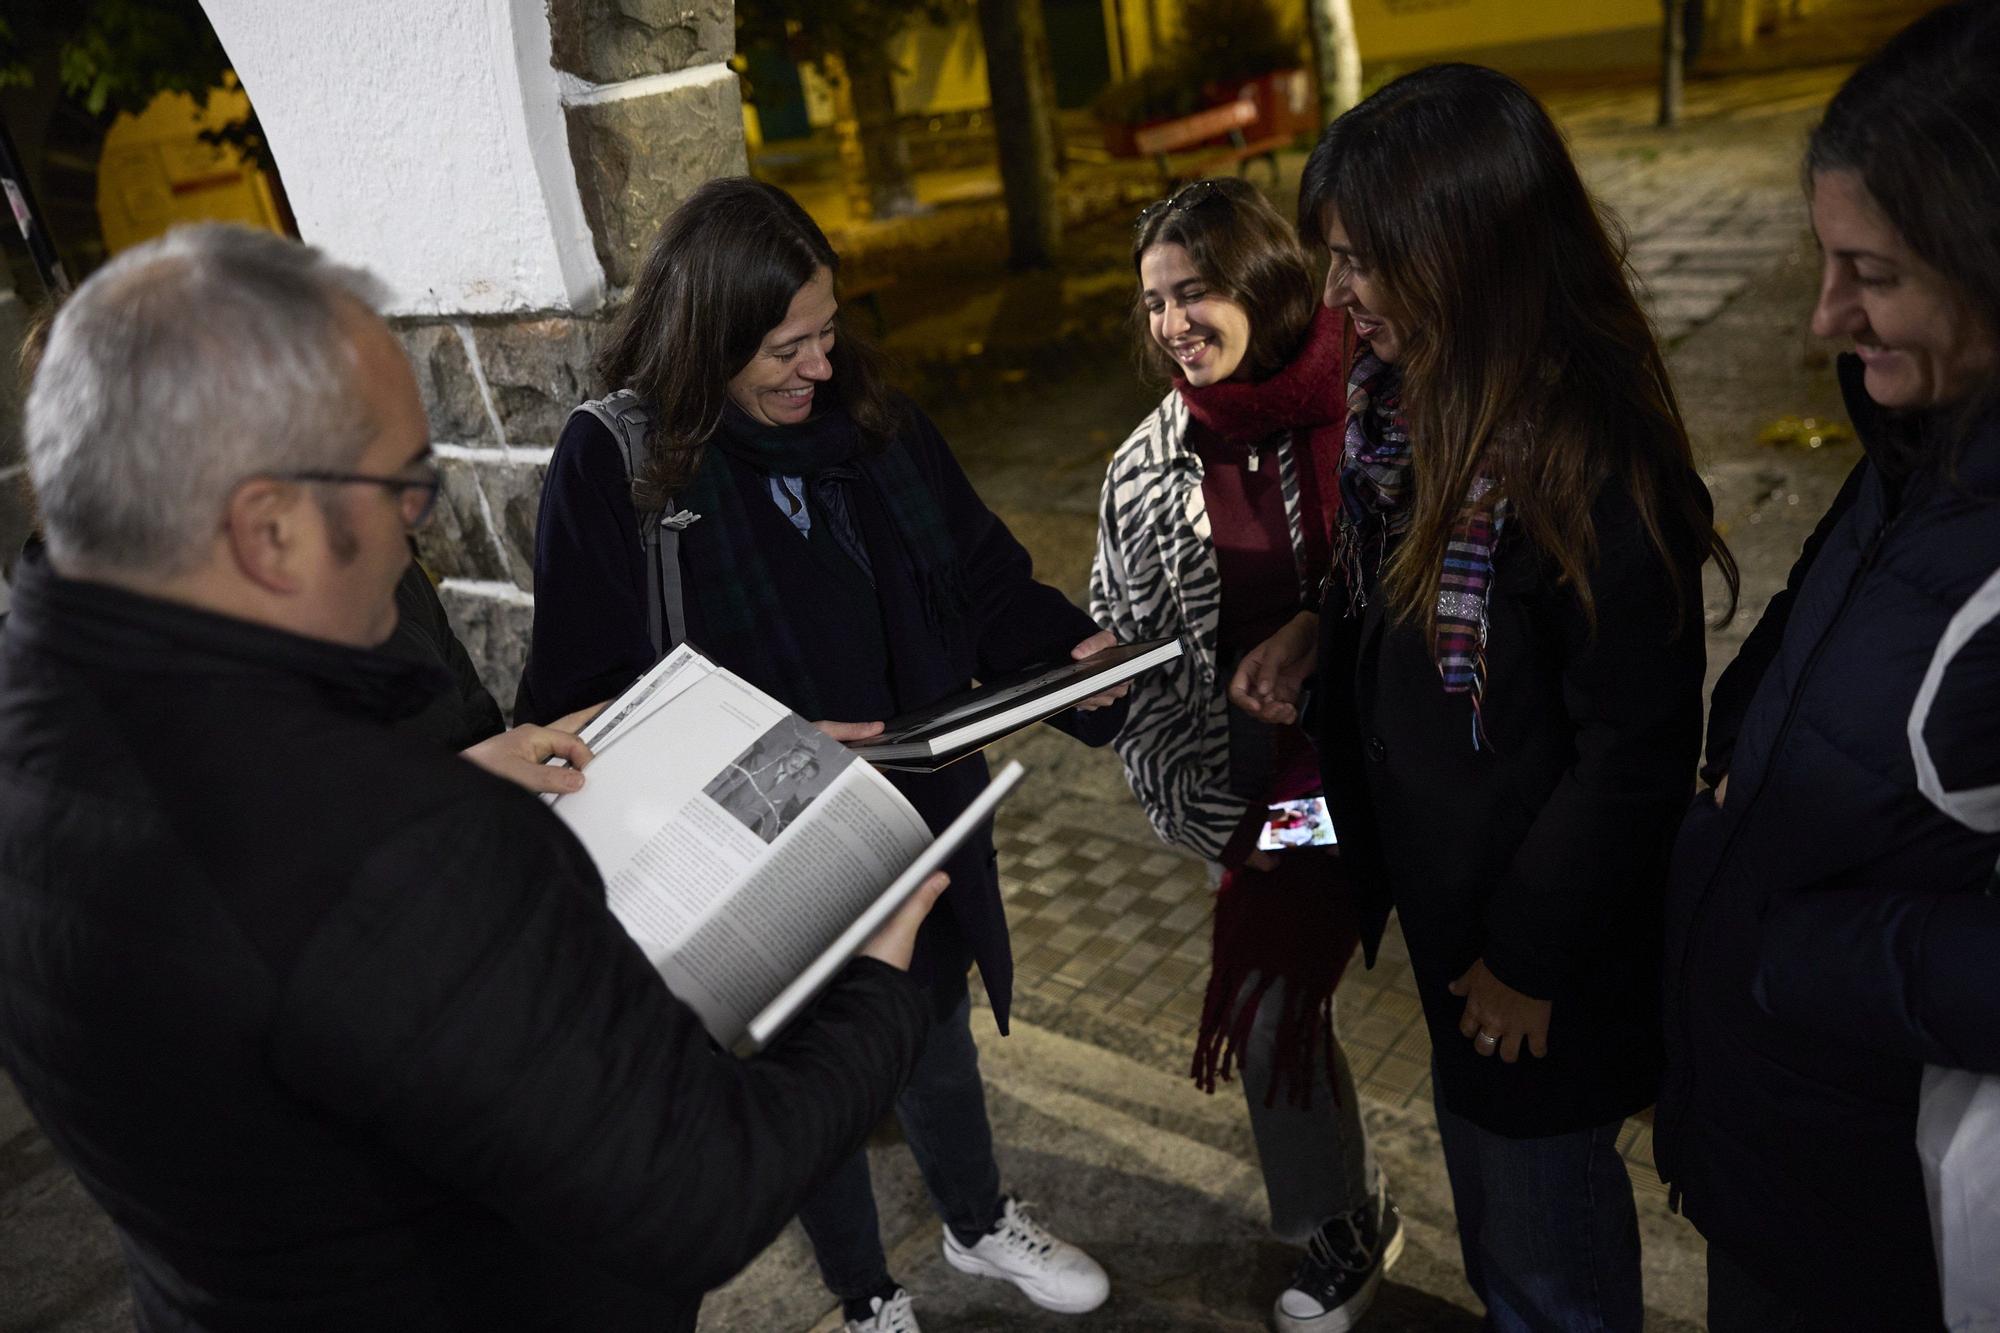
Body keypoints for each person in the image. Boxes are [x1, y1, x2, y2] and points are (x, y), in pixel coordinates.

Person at [0, 222, 950, 1333]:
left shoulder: (36, 720)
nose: (418, 539)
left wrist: (460, 766)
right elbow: (699, 1191)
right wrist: (880, 986)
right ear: (267, 530)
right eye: (405, 490)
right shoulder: (401, 848)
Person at [519, 177, 1122, 1333]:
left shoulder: (876, 426)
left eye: (828, 331)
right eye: (783, 347)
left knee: (928, 1023)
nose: (817, 368)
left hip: (906, 814)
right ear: (706, 339)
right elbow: (574, 703)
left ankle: (978, 1218)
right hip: (752, 844)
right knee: (801, 1073)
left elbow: (983, 575)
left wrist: (1078, 661)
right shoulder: (621, 464)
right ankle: (864, 1295)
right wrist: (769, 749)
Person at [1238, 65, 1737, 1331]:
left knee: (1541, 1257)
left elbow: (1632, 751)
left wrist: (1521, 962)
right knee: (1499, 1215)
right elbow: (1389, 598)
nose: (1336, 293)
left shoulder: (1588, 463)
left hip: (1539, 960)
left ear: (1466, 250)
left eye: (1360, 260)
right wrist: (1314, 627)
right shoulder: (1413, 404)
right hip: (1460, 921)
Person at [1656, 3, 2000, 1326]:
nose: (1822, 316)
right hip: (1787, 1156)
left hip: (1891, 1225)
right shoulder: (1930, 441)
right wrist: (1739, 741)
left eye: (1876, 271)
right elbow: (1832, 615)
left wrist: (1803, 959)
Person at [1089, 177, 1391, 1333]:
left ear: (1261, 284)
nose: (1170, 324)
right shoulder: (1145, 467)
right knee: (1271, 1006)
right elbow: (1140, 680)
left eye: (1195, 292)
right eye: (1154, 302)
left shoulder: (1379, 394)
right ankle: (1340, 1226)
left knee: (1477, 1014)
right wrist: (1205, 816)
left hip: (1414, 777)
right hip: (1282, 795)